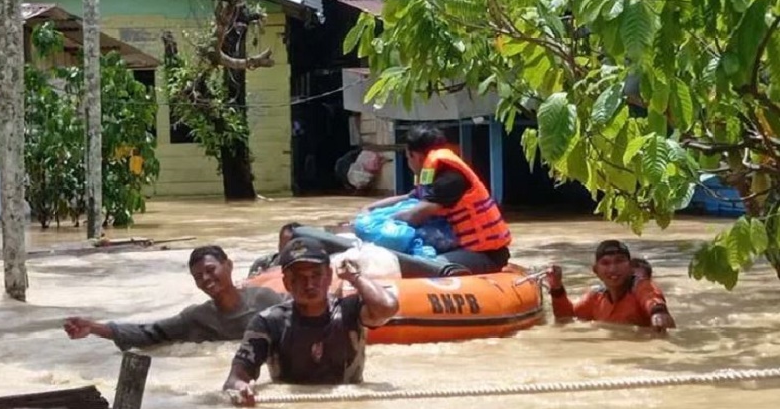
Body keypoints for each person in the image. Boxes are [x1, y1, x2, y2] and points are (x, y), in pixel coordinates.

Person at [223, 237, 399, 406]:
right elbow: (235, 378)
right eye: (299, 277)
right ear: (287, 282)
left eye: (316, 275)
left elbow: (388, 307)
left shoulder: (350, 310)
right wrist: (241, 388)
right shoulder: (268, 322)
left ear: (329, 276)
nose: (309, 284)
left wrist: (355, 277)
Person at [63, 246, 284, 351]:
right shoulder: (197, 317)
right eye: (198, 276)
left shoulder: (266, 299)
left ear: (229, 266)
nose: (206, 279)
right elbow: (148, 333)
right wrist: (93, 327)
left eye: (210, 270)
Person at [362, 123, 512, 274]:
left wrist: (379, 221)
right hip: (462, 248)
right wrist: (369, 209)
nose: (409, 163)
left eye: (408, 157)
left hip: (485, 254)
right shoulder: (435, 176)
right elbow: (408, 197)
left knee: (419, 265)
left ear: (416, 156)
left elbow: (414, 216)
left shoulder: (450, 178)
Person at [546, 240, 675, 332]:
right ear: (596, 270)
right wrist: (556, 287)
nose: (613, 269)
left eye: (619, 261)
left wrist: (658, 312)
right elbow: (565, 317)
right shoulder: (595, 297)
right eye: (606, 263)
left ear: (630, 267)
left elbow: (651, 297)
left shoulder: (639, 286)